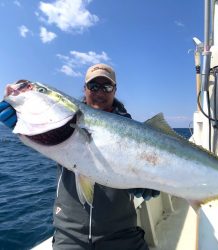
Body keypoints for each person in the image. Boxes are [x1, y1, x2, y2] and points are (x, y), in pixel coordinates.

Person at [0, 63, 160, 250]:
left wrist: (153, 182)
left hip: (122, 233)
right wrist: (24, 126)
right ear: (84, 89)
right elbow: (53, 139)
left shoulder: (135, 130)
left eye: (106, 86)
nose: (100, 91)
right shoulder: (68, 124)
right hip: (69, 236)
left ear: (114, 90)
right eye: (93, 86)